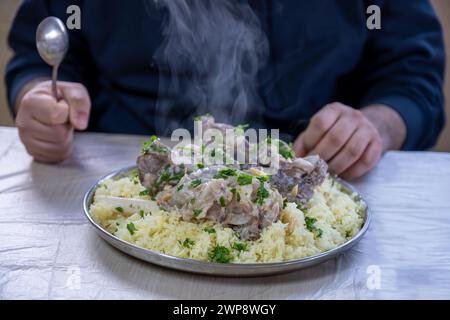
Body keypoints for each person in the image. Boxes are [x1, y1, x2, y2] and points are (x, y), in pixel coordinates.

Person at [5, 0, 445, 180]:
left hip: (314, 174)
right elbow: (42, 49)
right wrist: (40, 97)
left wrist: (376, 126)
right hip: (128, 178)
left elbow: (412, 76)